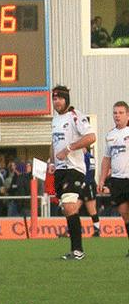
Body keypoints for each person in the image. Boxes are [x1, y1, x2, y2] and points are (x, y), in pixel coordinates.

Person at [50, 85, 96, 260]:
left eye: (60, 98)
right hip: (60, 170)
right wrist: (52, 162)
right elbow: (53, 143)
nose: (57, 102)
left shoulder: (76, 115)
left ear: (66, 99)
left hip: (74, 168)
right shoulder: (55, 120)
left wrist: (69, 148)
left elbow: (91, 137)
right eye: (54, 99)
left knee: (69, 206)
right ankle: (76, 248)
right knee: (68, 209)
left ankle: (78, 250)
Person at [98, 101, 129, 253]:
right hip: (117, 180)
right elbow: (106, 159)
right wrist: (102, 179)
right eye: (115, 113)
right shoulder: (110, 135)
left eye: (121, 113)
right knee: (124, 214)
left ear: (127, 115)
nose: (117, 116)